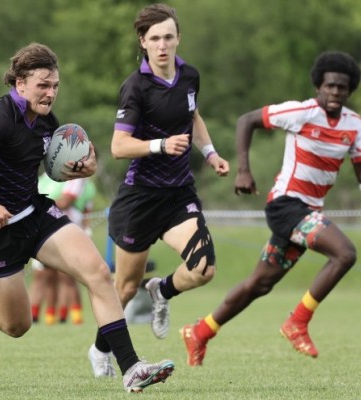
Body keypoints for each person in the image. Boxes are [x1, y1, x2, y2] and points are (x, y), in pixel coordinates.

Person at [0, 42, 174, 393]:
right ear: (20, 84)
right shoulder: (0, 117)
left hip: (34, 213)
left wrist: (82, 170)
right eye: (42, 85)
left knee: (97, 273)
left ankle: (131, 367)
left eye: (55, 86)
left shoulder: (46, 120)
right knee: (16, 326)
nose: (50, 93)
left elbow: (56, 166)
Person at [180, 51, 361, 366]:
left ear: (349, 91)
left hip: (307, 213)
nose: (335, 92)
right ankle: (298, 322)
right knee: (345, 254)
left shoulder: (355, 126)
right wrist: (243, 170)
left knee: (259, 284)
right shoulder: (300, 111)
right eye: (330, 85)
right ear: (319, 85)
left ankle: (200, 331)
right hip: (286, 206)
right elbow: (246, 120)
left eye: (342, 88)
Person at [88, 3, 231, 375]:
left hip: (179, 193)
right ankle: (101, 348)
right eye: (155, 39)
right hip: (140, 199)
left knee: (204, 269)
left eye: (169, 37)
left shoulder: (190, 76)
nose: (163, 45)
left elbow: (192, 115)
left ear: (178, 38)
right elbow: (119, 147)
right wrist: (161, 145)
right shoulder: (135, 86)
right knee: (123, 287)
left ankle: (163, 291)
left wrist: (211, 152)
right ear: (143, 42)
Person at [28, 173, 94, 325]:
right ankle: (44, 317)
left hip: (66, 229)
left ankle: (71, 317)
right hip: (43, 229)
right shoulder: (43, 178)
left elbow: (66, 202)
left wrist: (39, 205)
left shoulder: (78, 177)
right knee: (44, 275)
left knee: (67, 277)